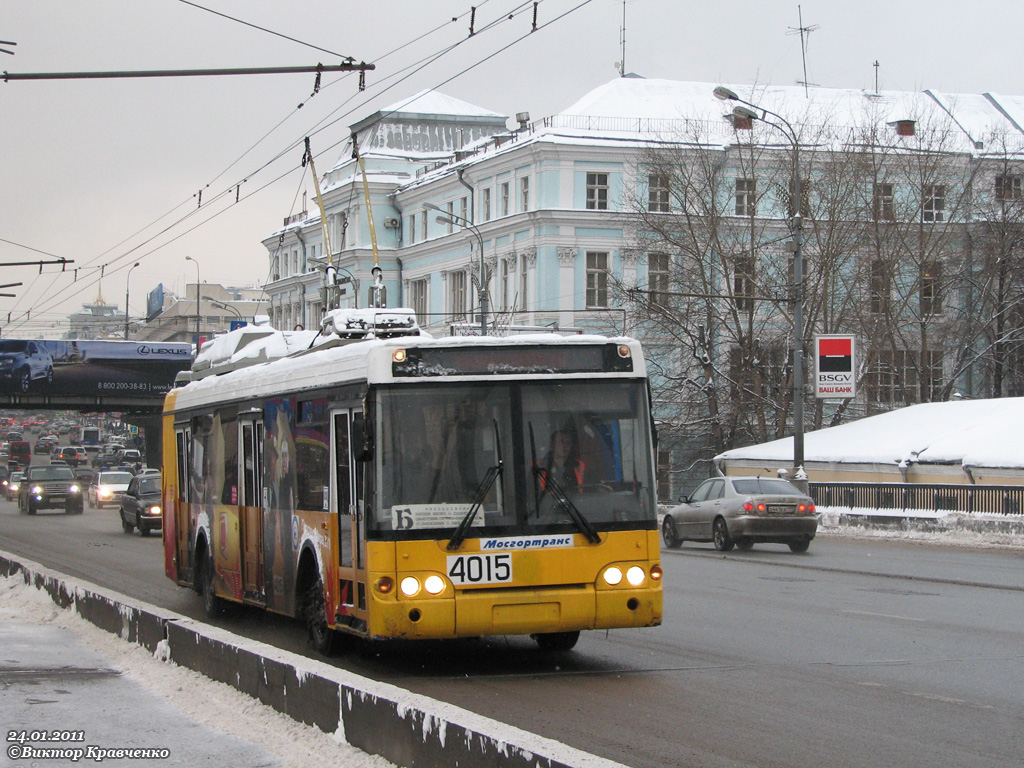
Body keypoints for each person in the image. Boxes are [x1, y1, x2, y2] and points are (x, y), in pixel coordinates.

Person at [539, 428, 585, 493]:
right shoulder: (540, 466)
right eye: (561, 442)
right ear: (552, 444)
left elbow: (586, 491)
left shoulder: (579, 466)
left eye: (568, 443)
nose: (565, 446)